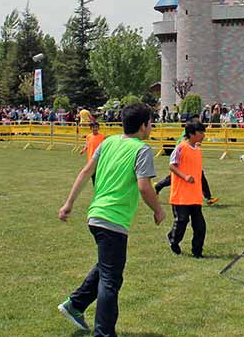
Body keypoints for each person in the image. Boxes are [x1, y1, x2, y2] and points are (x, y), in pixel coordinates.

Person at [57, 102, 166, 335]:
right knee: (110, 280)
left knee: (106, 267)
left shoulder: (108, 142)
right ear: (144, 125)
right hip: (113, 220)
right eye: (151, 122)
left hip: (96, 215)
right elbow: (144, 187)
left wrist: (69, 203)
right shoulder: (142, 149)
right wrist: (158, 210)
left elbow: (86, 172)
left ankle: (75, 304)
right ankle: (104, 333)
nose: (152, 126)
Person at [166, 119, 207, 258]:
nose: (203, 135)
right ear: (191, 134)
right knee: (182, 221)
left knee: (200, 226)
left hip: (195, 196)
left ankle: (197, 251)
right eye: (200, 132)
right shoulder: (181, 148)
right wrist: (185, 177)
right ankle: (173, 239)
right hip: (181, 195)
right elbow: (172, 165)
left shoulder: (198, 150)